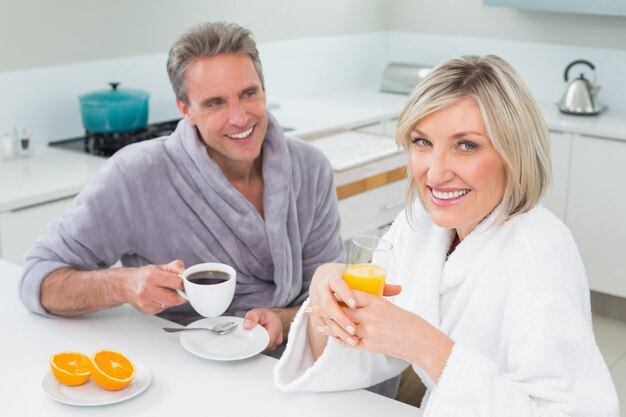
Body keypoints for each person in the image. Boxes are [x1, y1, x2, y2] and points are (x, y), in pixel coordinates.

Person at [274, 55, 619, 415]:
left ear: (513, 152)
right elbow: (367, 349)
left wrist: (425, 344)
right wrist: (326, 303)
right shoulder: (421, 225)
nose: (435, 174)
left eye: (466, 145)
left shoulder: (541, 254)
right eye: (423, 142)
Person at [18, 21, 345, 355]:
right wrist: (124, 284)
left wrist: (283, 320)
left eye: (248, 94)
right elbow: (39, 279)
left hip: (298, 355)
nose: (239, 118)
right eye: (215, 103)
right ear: (186, 110)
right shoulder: (136, 175)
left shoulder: (310, 168)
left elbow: (326, 299)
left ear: (264, 88)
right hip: (191, 367)